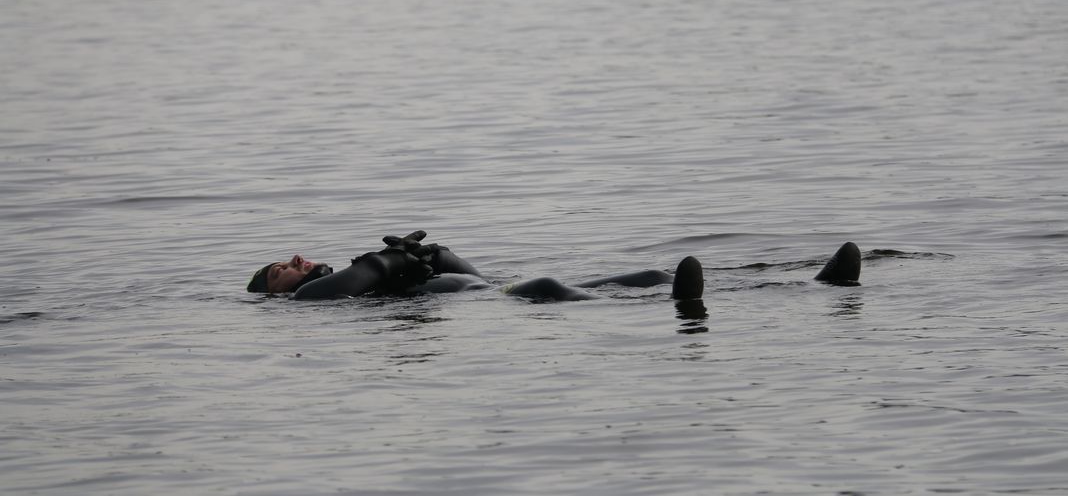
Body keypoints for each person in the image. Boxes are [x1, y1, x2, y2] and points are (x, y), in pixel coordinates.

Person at [247, 231, 861, 301]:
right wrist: (397, 257)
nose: (296, 262)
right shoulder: (309, 302)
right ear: (276, 294)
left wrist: (433, 252)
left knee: (649, 275)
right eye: (283, 268)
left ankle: (810, 284)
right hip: (508, 299)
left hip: (489, 286)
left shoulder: (364, 272)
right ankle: (685, 303)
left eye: (293, 256)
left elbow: (465, 265)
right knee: (550, 287)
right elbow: (364, 276)